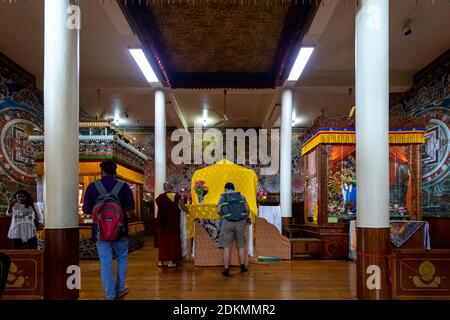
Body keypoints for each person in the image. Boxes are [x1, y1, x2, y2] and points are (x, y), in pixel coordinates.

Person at [82, 160, 135, 300]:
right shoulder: (123, 186)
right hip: (120, 230)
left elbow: (86, 209)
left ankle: (110, 294)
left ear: (101, 172)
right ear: (116, 172)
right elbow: (131, 207)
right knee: (122, 258)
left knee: (105, 261)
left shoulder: (92, 187)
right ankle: (121, 288)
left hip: (100, 232)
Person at [217, 182, 250, 277]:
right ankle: (243, 267)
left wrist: (223, 215)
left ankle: (226, 270)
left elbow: (218, 210)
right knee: (241, 246)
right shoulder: (241, 196)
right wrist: (244, 219)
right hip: (240, 223)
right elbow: (247, 209)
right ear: (234, 188)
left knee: (227, 247)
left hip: (227, 222)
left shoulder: (223, 197)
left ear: (226, 189)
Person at [155, 182, 186, 268]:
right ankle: (170, 262)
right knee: (172, 242)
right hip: (173, 223)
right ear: (171, 188)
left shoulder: (160, 198)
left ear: (164, 189)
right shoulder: (177, 197)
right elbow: (184, 208)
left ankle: (161, 261)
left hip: (162, 223)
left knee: (163, 243)